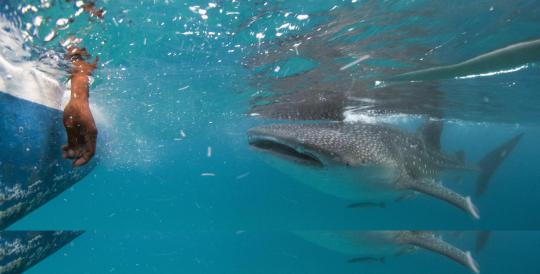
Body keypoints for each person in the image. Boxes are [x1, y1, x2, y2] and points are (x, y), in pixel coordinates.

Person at [62, 46, 98, 167]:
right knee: (92, 132)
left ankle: (73, 149)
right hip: (78, 109)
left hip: (69, 111)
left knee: (76, 146)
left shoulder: (75, 66)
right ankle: (73, 151)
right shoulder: (82, 66)